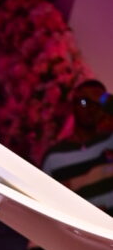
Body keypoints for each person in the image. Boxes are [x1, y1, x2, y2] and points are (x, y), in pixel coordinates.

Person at [41, 78, 113, 215]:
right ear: (73, 105)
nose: (91, 108)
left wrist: (107, 100)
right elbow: (45, 203)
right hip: (77, 226)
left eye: (97, 103)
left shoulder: (110, 141)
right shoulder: (54, 157)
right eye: (84, 102)